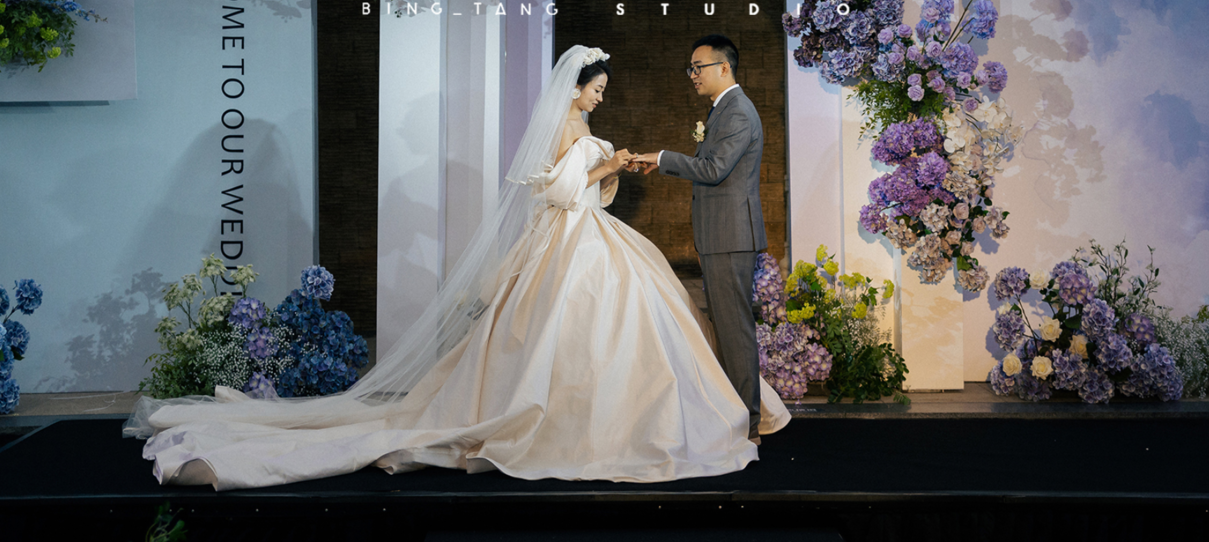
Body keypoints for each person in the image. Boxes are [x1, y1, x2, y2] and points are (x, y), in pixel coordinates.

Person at [125, 45, 788, 489]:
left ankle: (648, 411)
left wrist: (612, 169)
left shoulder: (589, 127)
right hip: (574, 238)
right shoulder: (567, 127)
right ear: (576, 86)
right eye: (597, 89)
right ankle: (582, 419)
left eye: (602, 91)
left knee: (615, 326)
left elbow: (585, 188)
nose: (599, 98)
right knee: (575, 328)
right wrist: (610, 164)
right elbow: (558, 189)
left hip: (591, 234)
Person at [630, 35, 766, 441]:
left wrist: (662, 158)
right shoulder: (723, 109)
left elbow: (714, 169)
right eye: (690, 68)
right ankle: (737, 417)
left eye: (698, 67)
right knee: (727, 328)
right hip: (721, 234)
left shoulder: (737, 111)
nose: (692, 75)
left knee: (734, 330)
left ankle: (747, 426)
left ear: (724, 67)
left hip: (730, 236)